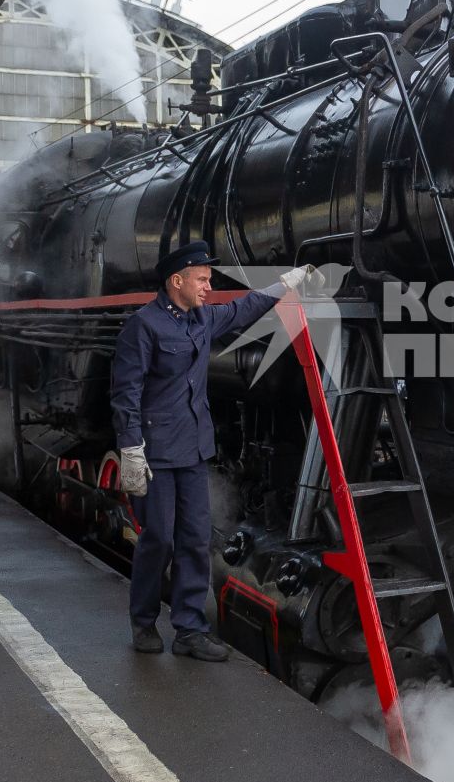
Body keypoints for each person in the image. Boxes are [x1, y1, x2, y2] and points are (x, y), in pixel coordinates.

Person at [109, 243, 314, 659]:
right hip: (156, 453)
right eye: (202, 279)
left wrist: (285, 284)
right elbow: (125, 394)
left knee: (196, 538)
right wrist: (131, 448)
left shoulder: (203, 318)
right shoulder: (143, 327)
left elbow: (245, 308)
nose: (209, 286)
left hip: (194, 450)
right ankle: (144, 622)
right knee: (158, 541)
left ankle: (189, 631)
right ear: (176, 281)